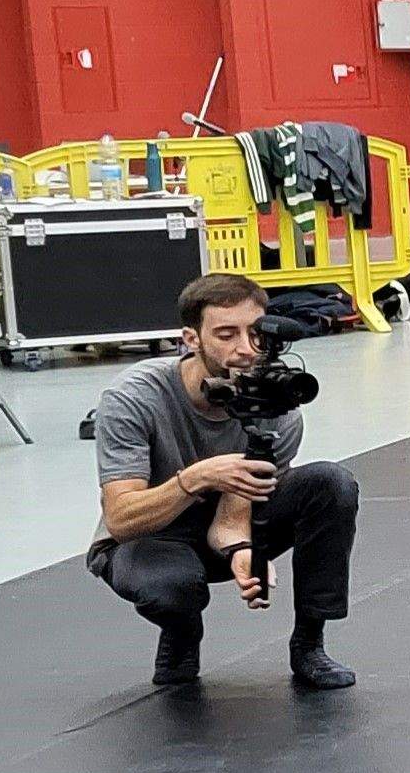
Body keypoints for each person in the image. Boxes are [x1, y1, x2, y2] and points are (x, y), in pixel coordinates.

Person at [86, 273, 359, 691]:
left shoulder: (278, 408)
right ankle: (181, 632)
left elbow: (232, 516)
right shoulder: (134, 397)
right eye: (226, 335)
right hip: (149, 537)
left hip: (220, 528)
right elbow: (121, 518)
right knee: (170, 589)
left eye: (255, 333)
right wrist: (198, 476)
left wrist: (241, 552)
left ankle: (309, 643)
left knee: (331, 483)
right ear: (191, 339)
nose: (245, 350)